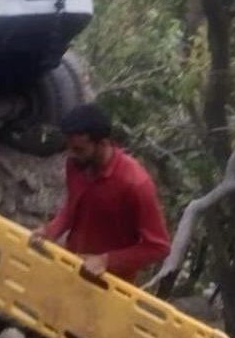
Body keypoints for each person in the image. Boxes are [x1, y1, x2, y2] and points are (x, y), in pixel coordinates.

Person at [29, 104, 171, 282]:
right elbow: (73, 208)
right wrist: (49, 231)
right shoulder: (76, 164)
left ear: (102, 143)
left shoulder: (136, 184)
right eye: (70, 148)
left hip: (111, 286)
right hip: (72, 268)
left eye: (79, 149)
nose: (71, 155)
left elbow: (159, 247)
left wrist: (107, 260)